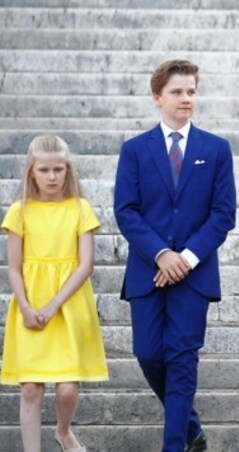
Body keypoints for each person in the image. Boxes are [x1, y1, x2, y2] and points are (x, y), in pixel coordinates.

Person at [113, 59, 236, 452]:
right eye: (178, 92)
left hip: (194, 276)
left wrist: (186, 258)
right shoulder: (134, 150)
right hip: (147, 273)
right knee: (149, 354)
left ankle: (175, 445)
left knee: (182, 360)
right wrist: (162, 254)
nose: (187, 98)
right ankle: (191, 428)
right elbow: (126, 211)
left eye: (192, 91)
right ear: (157, 97)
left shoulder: (216, 149)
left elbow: (223, 214)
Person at [1, 134, 108, 452]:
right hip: (30, 304)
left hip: (69, 306)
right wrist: (27, 306)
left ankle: (63, 431)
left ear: (68, 170)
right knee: (31, 388)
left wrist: (54, 305)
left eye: (58, 170)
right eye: (44, 170)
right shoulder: (19, 212)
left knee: (66, 389)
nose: (51, 176)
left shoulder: (80, 209)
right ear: (31, 171)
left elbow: (85, 264)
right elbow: (14, 268)